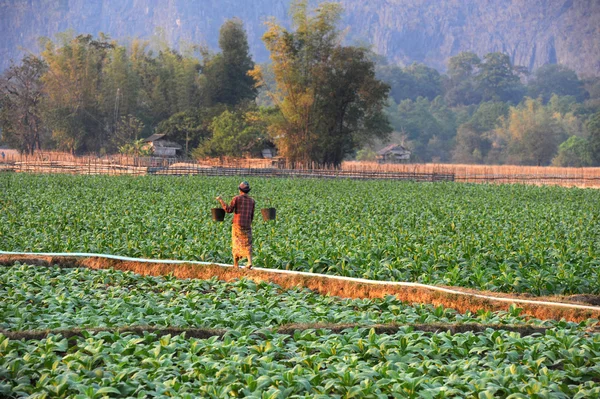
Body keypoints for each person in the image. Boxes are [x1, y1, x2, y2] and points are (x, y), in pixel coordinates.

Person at [217, 181, 255, 269]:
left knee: (236, 242)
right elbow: (252, 214)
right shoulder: (252, 201)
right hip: (247, 225)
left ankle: (236, 264)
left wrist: (221, 200)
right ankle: (249, 262)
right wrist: (248, 223)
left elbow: (228, 210)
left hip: (237, 224)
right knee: (247, 243)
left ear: (240, 190)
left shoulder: (236, 198)